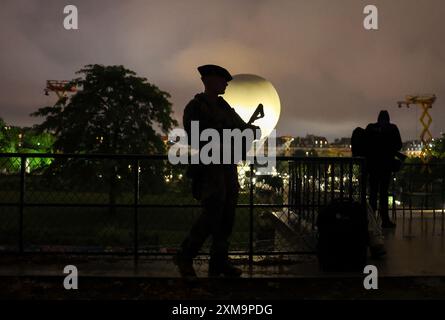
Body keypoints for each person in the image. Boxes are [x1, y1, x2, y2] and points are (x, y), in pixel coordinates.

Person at [174, 64, 260, 278]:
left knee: (227, 214)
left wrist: (250, 131)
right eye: (222, 80)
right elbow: (197, 136)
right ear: (209, 81)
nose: (226, 84)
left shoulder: (224, 107)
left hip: (227, 165)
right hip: (209, 165)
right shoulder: (195, 107)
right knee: (213, 212)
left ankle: (219, 262)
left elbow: (241, 129)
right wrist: (226, 134)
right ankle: (186, 256)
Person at [365, 110, 402, 228]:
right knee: (383, 193)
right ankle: (385, 220)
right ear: (388, 119)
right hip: (386, 165)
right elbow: (399, 145)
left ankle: (370, 220)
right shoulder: (392, 128)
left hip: (373, 166)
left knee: (373, 193)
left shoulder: (371, 128)